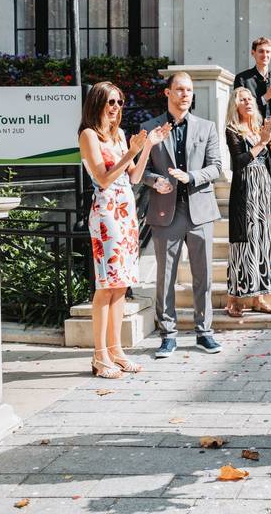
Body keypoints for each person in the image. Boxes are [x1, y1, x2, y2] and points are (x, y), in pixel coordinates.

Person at [79, 82, 169, 378]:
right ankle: (99, 355)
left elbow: (134, 178)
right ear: (98, 104)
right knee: (106, 285)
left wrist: (147, 147)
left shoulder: (118, 135)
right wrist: (130, 152)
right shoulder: (89, 135)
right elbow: (103, 179)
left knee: (120, 287)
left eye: (119, 101)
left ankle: (116, 350)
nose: (117, 107)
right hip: (106, 214)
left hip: (126, 212)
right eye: (111, 102)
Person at [141, 72, 223, 359]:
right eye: (179, 89)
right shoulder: (149, 128)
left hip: (200, 210)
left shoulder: (207, 127)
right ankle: (168, 335)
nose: (185, 94)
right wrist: (155, 181)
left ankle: (204, 332)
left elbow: (216, 167)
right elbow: (140, 171)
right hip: (166, 212)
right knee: (165, 277)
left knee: (204, 276)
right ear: (167, 93)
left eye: (188, 90)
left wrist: (191, 176)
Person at [224, 87, 271, 318]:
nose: (248, 103)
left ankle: (259, 298)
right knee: (242, 245)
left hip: (262, 191)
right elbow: (239, 162)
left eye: (250, 99)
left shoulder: (260, 128)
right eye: (242, 100)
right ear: (235, 105)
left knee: (262, 243)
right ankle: (234, 298)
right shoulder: (232, 130)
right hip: (244, 192)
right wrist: (261, 143)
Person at [234, 36, 271, 155]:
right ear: (253, 53)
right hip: (250, 137)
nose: (264, 55)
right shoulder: (242, 78)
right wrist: (266, 97)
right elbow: (240, 110)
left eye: (267, 51)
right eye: (260, 51)